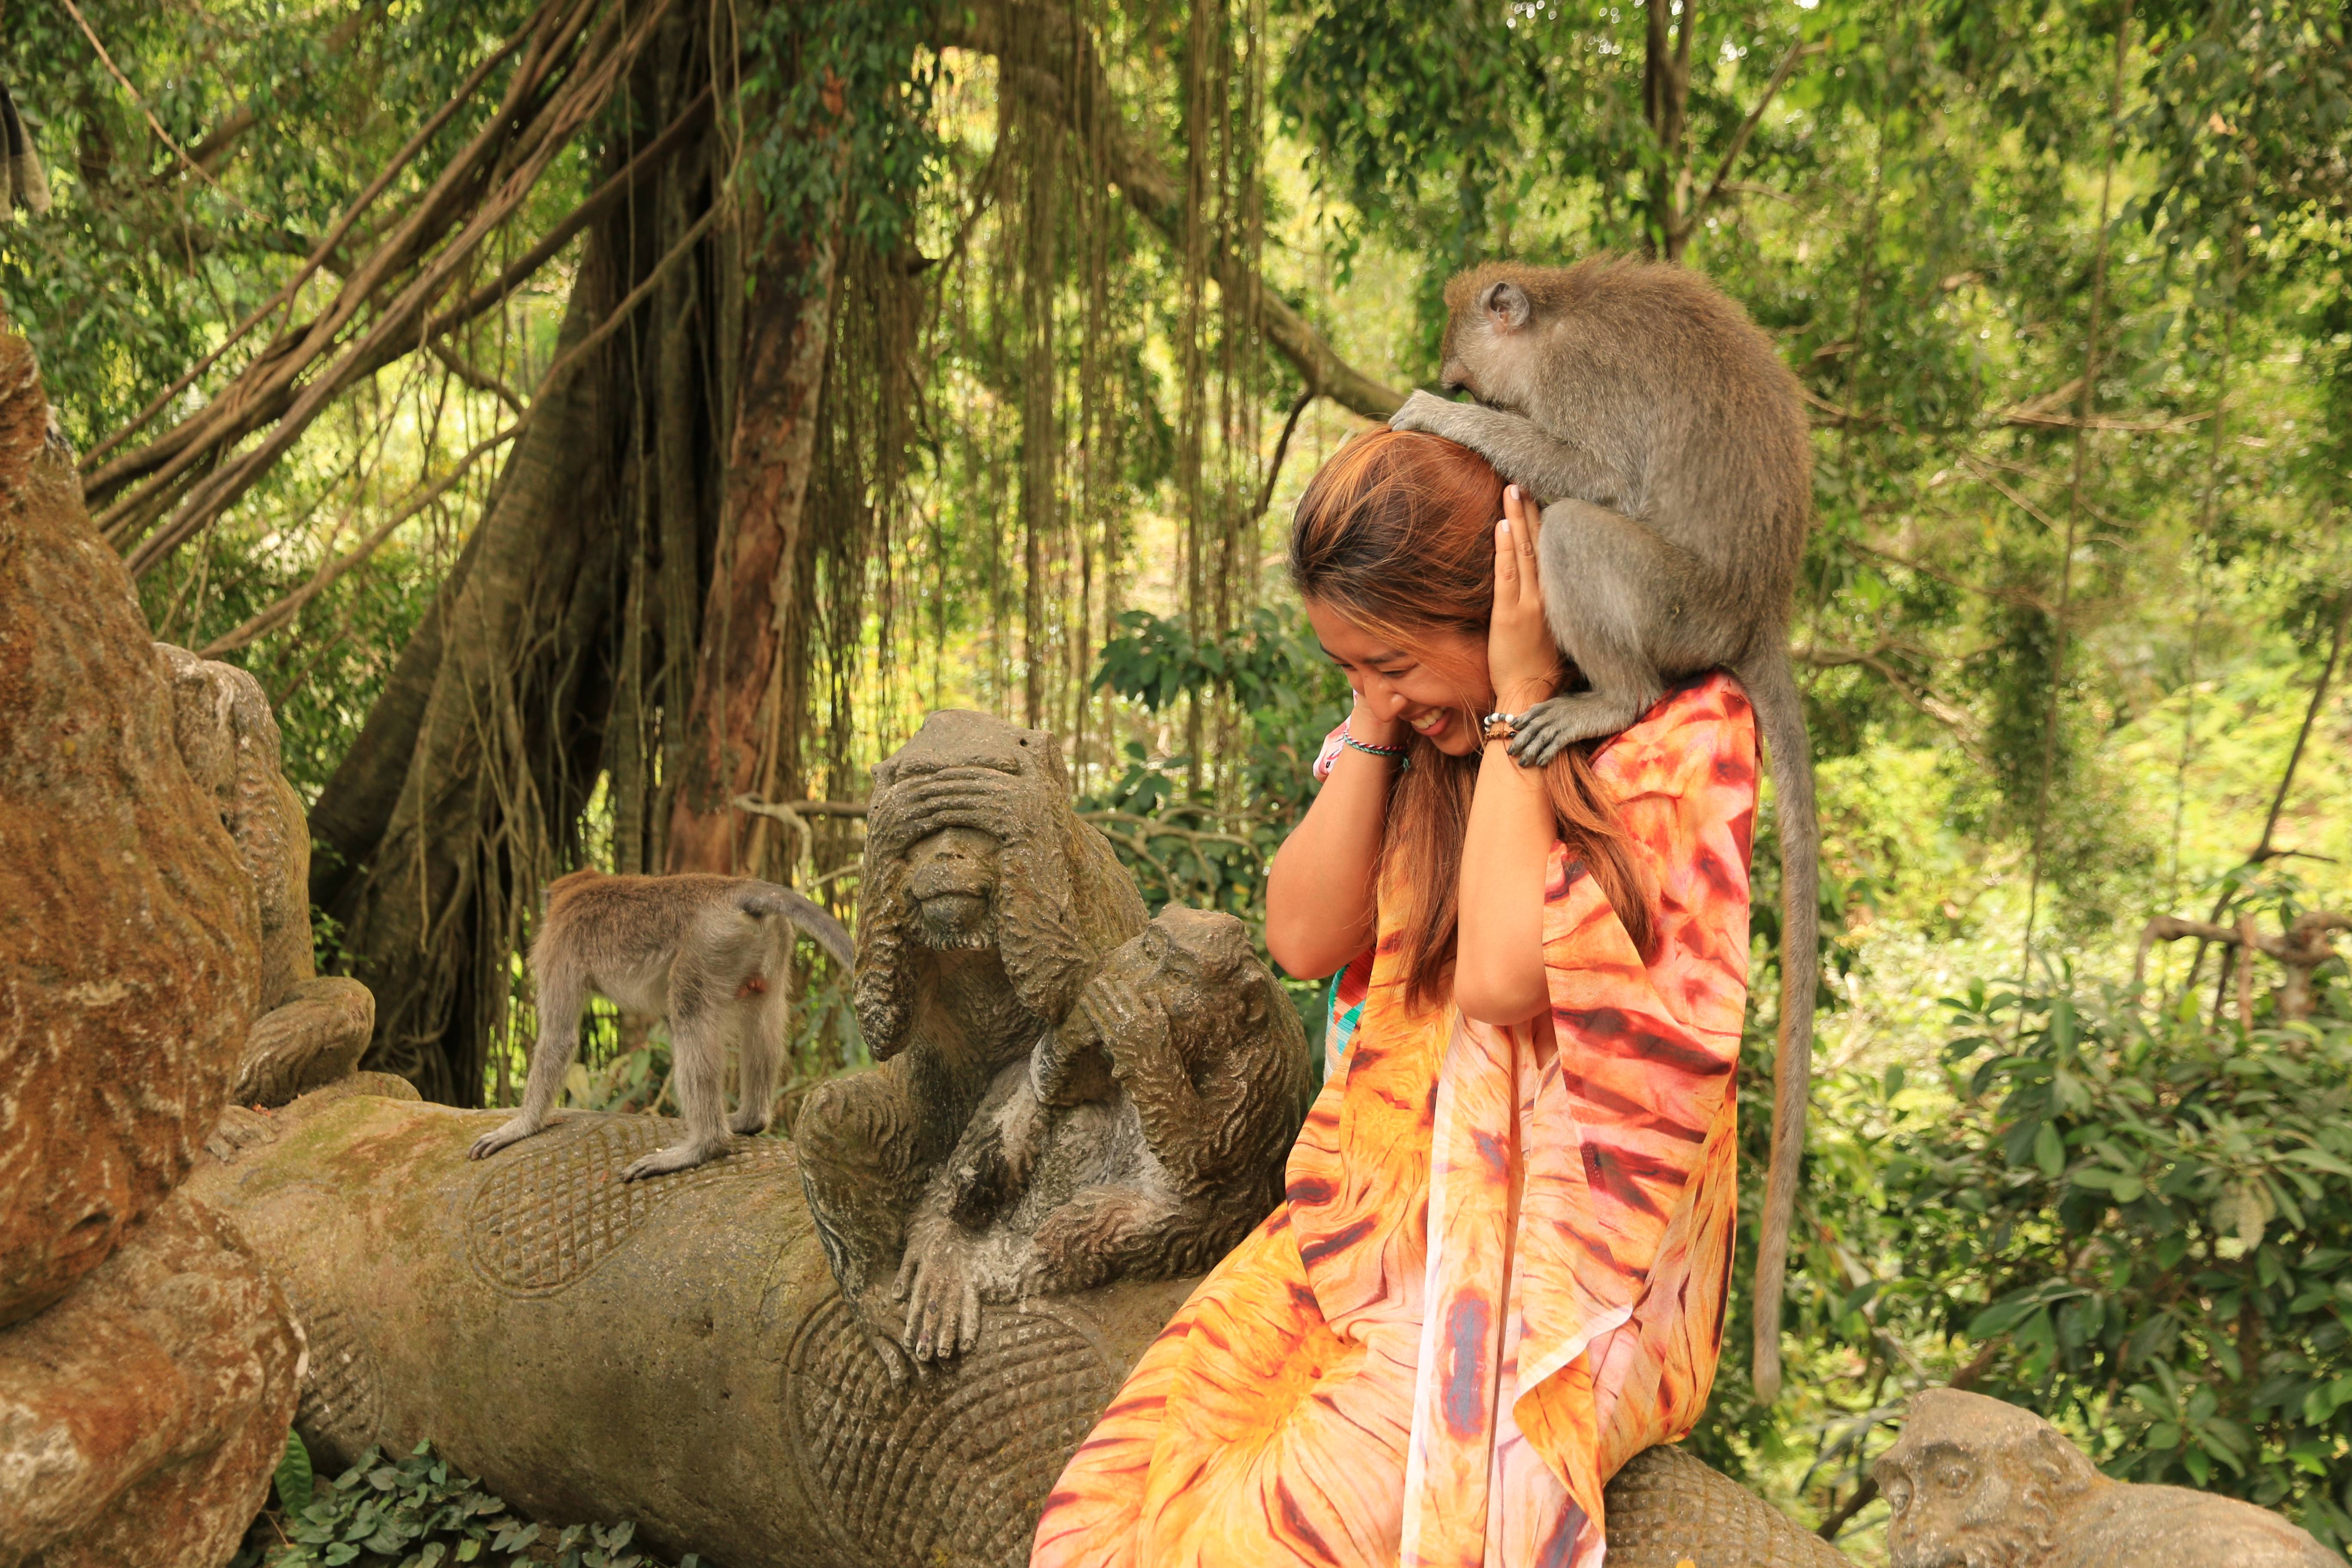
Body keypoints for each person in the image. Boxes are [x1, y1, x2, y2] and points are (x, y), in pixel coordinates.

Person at [1032, 429, 1761, 1568]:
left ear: (1511, 604)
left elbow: (1502, 977)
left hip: (1566, 1287)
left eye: (1396, 662)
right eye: (1349, 668)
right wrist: (1380, 712)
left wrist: (1520, 697)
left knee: (1251, 1543)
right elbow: (1302, 933)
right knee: (1112, 1503)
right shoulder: (1418, 737)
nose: (1379, 692)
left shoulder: (1679, 740)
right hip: (1371, 1226)